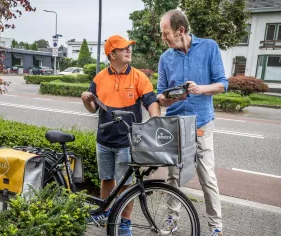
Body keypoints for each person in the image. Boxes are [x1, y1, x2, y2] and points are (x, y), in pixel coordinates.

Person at [156, 9, 228, 236]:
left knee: (207, 177)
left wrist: (200, 89)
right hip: (174, 124)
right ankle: (171, 220)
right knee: (173, 177)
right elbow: (159, 95)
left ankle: (216, 227)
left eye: (165, 33)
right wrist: (170, 96)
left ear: (181, 30)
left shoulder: (209, 47)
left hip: (201, 124)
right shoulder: (165, 58)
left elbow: (222, 84)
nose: (163, 38)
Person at [81, 35, 161, 236]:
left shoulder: (138, 77)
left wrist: (156, 121)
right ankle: (105, 213)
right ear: (111, 54)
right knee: (106, 178)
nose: (128, 50)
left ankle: (125, 223)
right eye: (123, 48)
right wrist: (85, 99)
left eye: (129, 48)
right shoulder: (99, 77)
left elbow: (151, 101)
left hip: (127, 141)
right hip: (104, 139)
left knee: (126, 184)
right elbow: (92, 109)